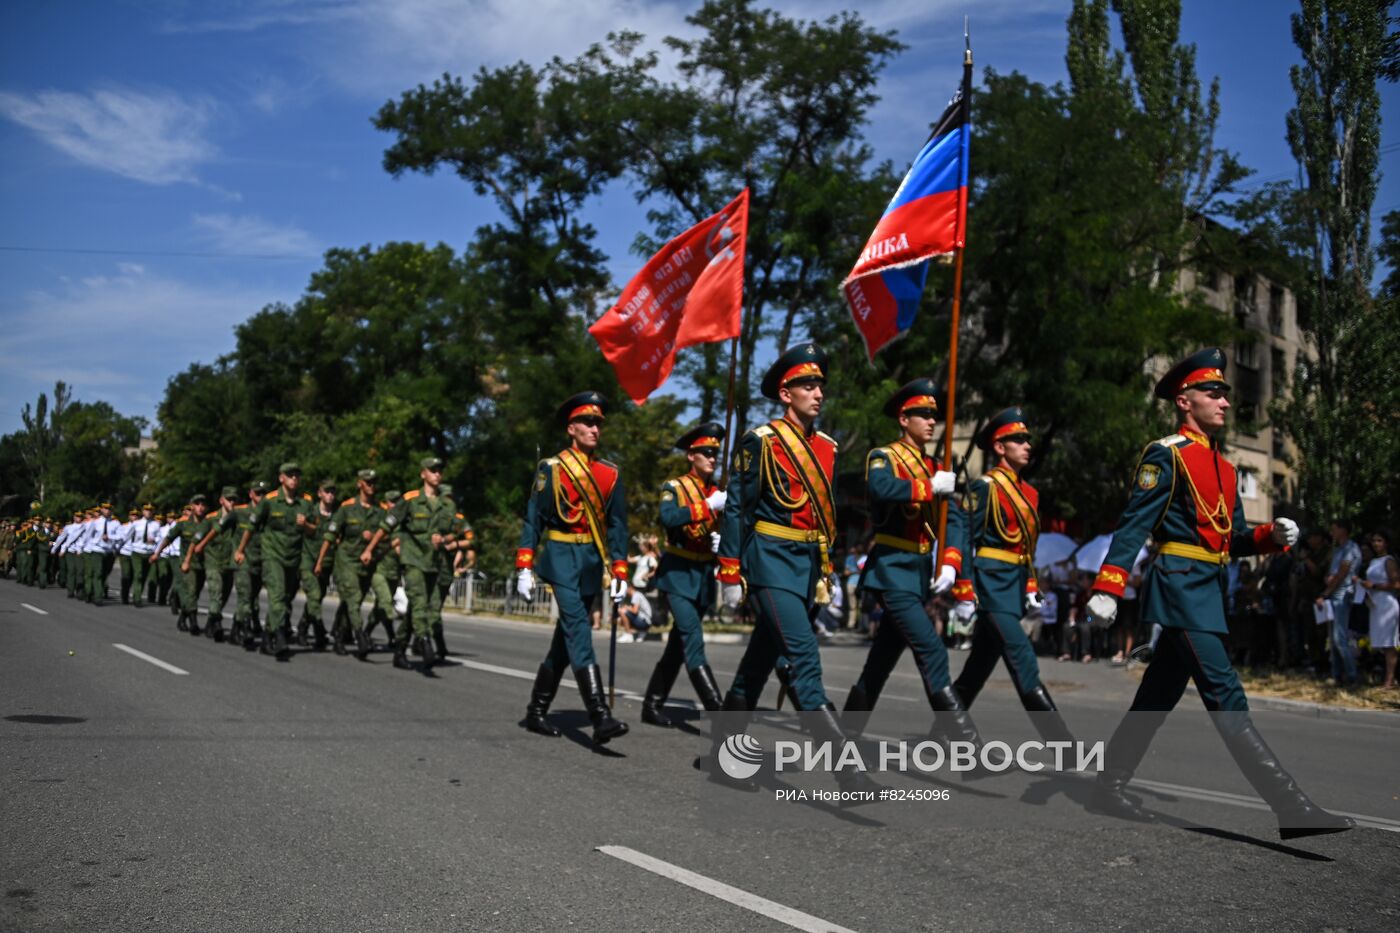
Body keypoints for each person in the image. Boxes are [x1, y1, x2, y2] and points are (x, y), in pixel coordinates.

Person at [1084, 347, 1351, 839]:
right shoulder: (1167, 454)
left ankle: (1108, 785)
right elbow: (1134, 524)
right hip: (1180, 587)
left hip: (1208, 588)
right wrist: (1109, 585)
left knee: (1158, 694)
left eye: (1225, 393)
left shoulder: (1226, 470)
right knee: (1225, 691)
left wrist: (1270, 535)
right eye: (1213, 392)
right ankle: (1290, 806)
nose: (1225, 401)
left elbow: (1232, 539)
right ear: (1185, 401)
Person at [712, 344, 875, 795]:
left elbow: (825, 517)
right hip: (769, 563)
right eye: (808, 385)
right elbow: (738, 508)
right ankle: (847, 772)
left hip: (805, 569)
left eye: (820, 384)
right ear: (786, 393)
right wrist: (730, 570)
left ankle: (725, 758)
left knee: (757, 664)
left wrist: (826, 568)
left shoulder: (827, 448)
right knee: (804, 658)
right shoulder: (761, 441)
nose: (818, 393)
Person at [840, 378, 990, 757]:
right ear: (903, 419)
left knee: (879, 664)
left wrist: (951, 563)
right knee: (933, 651)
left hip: (919, 573)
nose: (931, 421)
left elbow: (955, 519)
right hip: (892, 569)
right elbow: (881, 488)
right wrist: (928, 488)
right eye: (922, 414)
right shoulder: (884, 456)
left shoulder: (935, 467)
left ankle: (844, 741)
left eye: (933, 415)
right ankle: (969, 749)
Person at [949, 407, 1077, 746]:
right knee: (1023, 658)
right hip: (991, 586)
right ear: (999, 447)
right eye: (1018, 440)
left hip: (1015, 584)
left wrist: (1031, 583)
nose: (1027, 445)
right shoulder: (985, 487)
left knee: (979, 666)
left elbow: (1027, 547)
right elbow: (964, 537)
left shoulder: (1030, 493)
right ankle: (1062, 746)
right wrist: (964, 587)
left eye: (1027, 440)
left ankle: (943, 731)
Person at [517, 391, 630, 744]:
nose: (595, 429)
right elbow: (533, 519)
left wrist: (620, 570)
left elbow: (618, 525)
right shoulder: (552, 468)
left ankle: (536, 711)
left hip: (591, 563)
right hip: (561, 558)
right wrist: (524, 565)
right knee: (579, 630)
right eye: (587, 422)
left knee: (564, 645)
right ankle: (600, 715)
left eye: (598, 423)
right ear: (571, 429)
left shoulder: (609, 473)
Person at [638, 422, 728, 727]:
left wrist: (723, 541)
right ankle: (721, 716)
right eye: (706, 452)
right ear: (691, 455)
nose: (712, 458)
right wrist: (706, 506)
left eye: (715, 453)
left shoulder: (719, 492)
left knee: (678, 645)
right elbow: (669, 517)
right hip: (677, 574)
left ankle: (651, 705)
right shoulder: (675, 488)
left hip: (703, 577)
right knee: (693, 641)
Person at [363, 457, 454, 671]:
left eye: (439, 470)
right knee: (419, 602)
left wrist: (443, 539)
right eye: (432, 470)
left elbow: (452, 532)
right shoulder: (410, 500)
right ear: (423, 474)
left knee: (415, 610)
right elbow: (387, 525)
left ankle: (400, 649)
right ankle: (424, 641)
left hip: (432, 563)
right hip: (412, 560)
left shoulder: (447, 504)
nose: (437, 474)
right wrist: (369, 549)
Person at [236, 463, 315, 660]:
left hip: (293, 557)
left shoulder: (305, 502)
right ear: (281, 478)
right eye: (290, 475)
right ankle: (279, 637)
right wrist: (240, 550)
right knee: (277, 595)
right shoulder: (269, 501)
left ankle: (266, 638)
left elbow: (315, 530)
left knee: (285, 599)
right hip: (272, 556)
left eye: (297, 475)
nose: (294, 478)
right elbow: (251, 527)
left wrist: (305, 525)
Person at [317, 469, 381, 660]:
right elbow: (330, 536)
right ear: (359, 484)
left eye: (374, 482)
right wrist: (320, 561)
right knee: (353, 597)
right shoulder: (347, 508)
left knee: (352, 602)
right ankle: (360, 637)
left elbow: (387, 537)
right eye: (368, 482)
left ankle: (339, 636)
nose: (371, 486)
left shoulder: (380, 511)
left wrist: (373, 539)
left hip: (366, 564)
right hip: (346, 561)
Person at [1317, 519, 1361, 687]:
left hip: (1342, 596)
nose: (1331, 532)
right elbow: (1334, 573)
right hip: (1334, 596)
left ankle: (1352, 675)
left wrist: (1325, 593)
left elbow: (1342, 574)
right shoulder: (1337, 550)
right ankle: (1337, 675)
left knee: (1339, 637)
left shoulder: (1351, 548)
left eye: (1334, 529)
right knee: (1333, 639)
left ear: (1343, 530)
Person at [294, 480, 337, 651]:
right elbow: (303, 529)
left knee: (317, 598)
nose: (330, 495)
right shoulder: (311, 512)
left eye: (332, 492)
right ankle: (319, 631)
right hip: (308, 559)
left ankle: (303, 627)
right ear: (319, 494)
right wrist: (305, 524)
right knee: (314, 594)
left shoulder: (337, 515)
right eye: (327, 492)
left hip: (326, 563)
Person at [194, 488, 238, 642]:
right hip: (213, 561)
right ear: (221, 501)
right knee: (216, 593)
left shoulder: (237, 518)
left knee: (224, 595)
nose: (232, 503)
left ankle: (210, 622)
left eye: (234, 500)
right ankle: (217, 623)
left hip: (229, 563)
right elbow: (198, 538)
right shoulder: (211, 519)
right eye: (229, 499)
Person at [1357, 529, 1399, 689]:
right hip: (1374, 603)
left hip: (1386, 603)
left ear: (1386, 543)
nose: (1376, 544)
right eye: (1374, 541)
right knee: (1380, 641)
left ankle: (1389, 679)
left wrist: (1374, 586)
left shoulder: (1389, 561)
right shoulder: (1374, 561)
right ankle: (1382, 675)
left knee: (1389, 642)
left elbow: (1396, 584)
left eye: (1379, 540)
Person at [127, 504, 160, 608]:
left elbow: (160, 539)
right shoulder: (136, 524)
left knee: (144, 576)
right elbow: (127, 536)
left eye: (150, 510)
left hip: (149, 553)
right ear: (142, 511)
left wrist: (154, 540)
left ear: (153, 512)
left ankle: (138, 594)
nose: (148, 512)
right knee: (138, 574)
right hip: (137, 552)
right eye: (146, 510)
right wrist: (118, 547)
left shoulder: (156, 525)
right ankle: (137, 598)